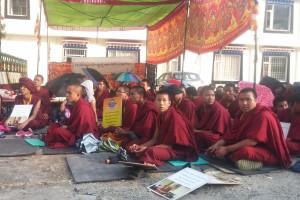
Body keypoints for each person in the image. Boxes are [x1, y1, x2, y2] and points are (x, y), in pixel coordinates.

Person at [207, 88, 291, 170]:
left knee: (245, 151)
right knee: (215, 147)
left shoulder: (263, 115)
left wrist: (227, 149)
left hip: (266, 150)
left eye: (248, 100)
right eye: (241, 100)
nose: (244, 103)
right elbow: (232, 133)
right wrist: (218, 144)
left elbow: (252, 141)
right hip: (245, 143)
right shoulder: (241, 113)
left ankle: (231, 157)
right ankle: (229, 157)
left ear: (255, 100)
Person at [128, 90, 198, 166]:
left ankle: (148, 162)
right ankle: (146, 158)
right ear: (154, 102)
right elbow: (155, 138)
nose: (161, 103)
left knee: (150, 151)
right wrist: (140, 146)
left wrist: (145, 148)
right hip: (164, 146)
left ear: (169, 103)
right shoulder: (159, 116)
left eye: (164, 100)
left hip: (178, 151)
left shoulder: (175, 117)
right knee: (135, 145)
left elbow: (169, 145)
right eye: (158, 100)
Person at [45, 83, 98, 148]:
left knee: (58, 131)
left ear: (78, 95)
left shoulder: (83, 107)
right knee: (53, 126)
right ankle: (51, 137)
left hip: (80, 135)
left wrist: (68, 127)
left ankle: (50, 138)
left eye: (69, 93)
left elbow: (83, 129)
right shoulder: (76, 103)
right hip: (73, 129)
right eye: (66, 92)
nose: (66, 95)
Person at [194, 86, 232, 151]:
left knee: (202, 135)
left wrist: (197, 131)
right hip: (203, 132)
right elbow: (196, 124)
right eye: (207, 95)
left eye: (213, 95)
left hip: (219, 136)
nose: (211, 98)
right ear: (200, 96)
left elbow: (215, 131)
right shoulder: (199, 107)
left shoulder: (218, 109)